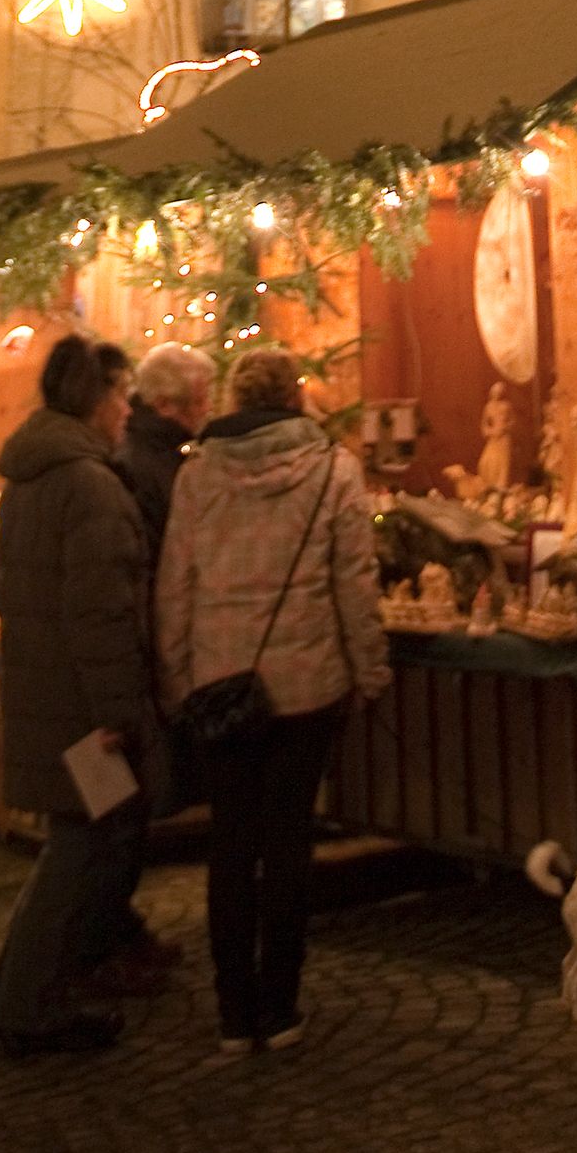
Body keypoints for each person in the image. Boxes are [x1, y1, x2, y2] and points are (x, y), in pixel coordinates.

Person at [155, 342, 388, 1055]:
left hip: (221, 684)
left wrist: (177, 676)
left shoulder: (196, 478)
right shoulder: (332, 472)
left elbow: (176, 584)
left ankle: (233, 1010)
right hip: (306, 685)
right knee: (286, 844)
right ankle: (280, 1004)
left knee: (231, 843)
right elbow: (354, 583)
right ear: (294, 398)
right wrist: (368, 672)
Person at [0, 335, 161, 1060]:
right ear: (97, 398)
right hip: (83, 710)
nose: (127, 413)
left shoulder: (30, 478)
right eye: (122, 397)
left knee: (76, 845)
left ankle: (25, 994)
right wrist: (119, 714)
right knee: (78, 851)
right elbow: (102, 615)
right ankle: (24, 1003)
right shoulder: (88, 485)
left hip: (45, 691)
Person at [117, 346, 214, 558]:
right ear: (163, 404)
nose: (207, 408)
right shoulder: (139, 464)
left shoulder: (163, 449)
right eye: (198, 401)